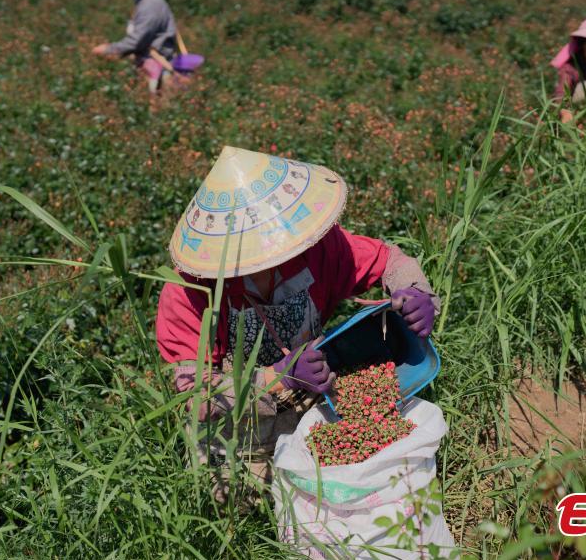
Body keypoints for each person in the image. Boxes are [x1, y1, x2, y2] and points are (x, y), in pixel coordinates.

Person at [155, 146, 439, 492]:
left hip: (316, 390)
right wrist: (280, 378)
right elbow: (195, 396)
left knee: (366, 469)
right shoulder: (189, 290)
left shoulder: (318, 248)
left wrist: (415, 292)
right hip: (239, 426)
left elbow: (388, 261)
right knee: (227, 495)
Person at [92, 0, 178, 94]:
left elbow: (137, 41)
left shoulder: (150, 4)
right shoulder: (147, 0)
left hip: (158, 71)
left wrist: (109, 50)